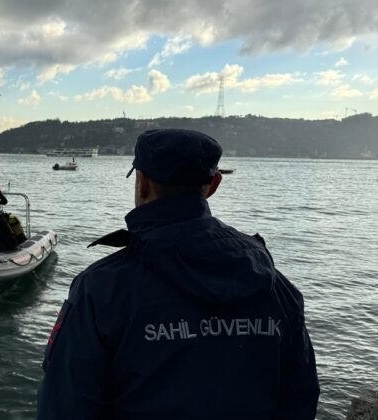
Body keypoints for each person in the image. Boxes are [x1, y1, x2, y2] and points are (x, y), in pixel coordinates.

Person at [37, 129, 319, 419]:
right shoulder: (276, 286)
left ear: (142, 183)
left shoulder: (100, 289)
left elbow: (63, 406)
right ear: (213, 185)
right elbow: (301, 398)